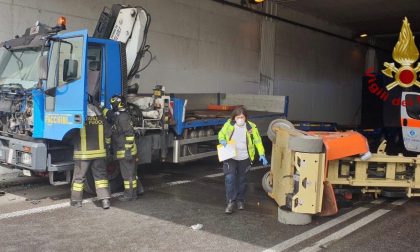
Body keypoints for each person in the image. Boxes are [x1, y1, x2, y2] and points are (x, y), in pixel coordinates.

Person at [218, 106, 268, 214]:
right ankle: (231, 202)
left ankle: (240, 200)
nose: (240, 119)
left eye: (242, 117)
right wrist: (222, 139)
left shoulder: (251, 127)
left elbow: (258, 141)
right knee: (230, 178)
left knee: (241, 180)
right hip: (230, 156)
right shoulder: (229, 125)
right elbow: (221, 133)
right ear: (234, 118)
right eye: (238, 117)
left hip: (245, 157)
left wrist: (262, 154)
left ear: (245, 117)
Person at [103, 95, 144, 201]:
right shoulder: (121, 115)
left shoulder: (122, 118)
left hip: (126, 151)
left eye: (113, 104)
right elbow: (109, 114)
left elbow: (130, 135)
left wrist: (127, 151)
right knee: (132, 173)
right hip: (126, 150)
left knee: (128, 176)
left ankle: (129, 195)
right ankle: (138, 190)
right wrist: (101, 108)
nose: (112, 106)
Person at [70, 103, 111, 209]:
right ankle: (105, 200)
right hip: (99, 153)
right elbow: (108, 133)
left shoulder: (79, 118)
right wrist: (107, 145)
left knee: (79, 178)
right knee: (101, 178)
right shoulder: (101, 118)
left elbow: (71, 133)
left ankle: (76, 201)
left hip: (83, 154)